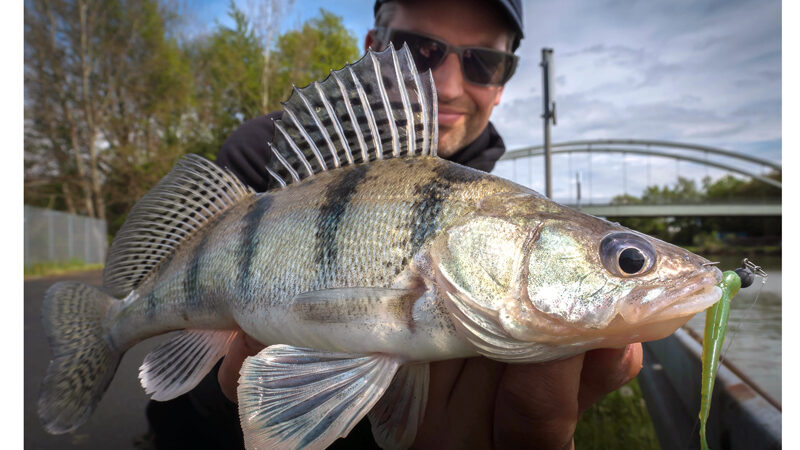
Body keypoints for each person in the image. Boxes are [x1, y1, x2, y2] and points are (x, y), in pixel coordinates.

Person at [145, 1, 643, 448]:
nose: (446, 84)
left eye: (484, 61)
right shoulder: (265, 154)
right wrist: (217, 403)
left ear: (503, 83)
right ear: (376, 47)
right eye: (419, 49)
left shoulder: (502, 204)